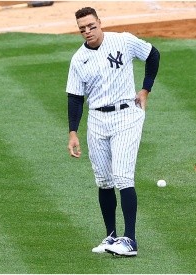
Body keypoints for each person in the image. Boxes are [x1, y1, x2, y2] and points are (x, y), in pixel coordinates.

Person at [66, 7, 160, 257]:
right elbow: (75, 97)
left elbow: (153, 54)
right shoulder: (79, 59)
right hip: (97, 119)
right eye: (82, 29)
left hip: (127, 115)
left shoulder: (123, 41)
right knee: (104, 180)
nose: (87, 31)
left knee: (122, 176)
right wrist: (73, 132)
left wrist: (145, 90)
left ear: (100, 23)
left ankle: (130, 240)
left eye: (91, 26)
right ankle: (111, 236)